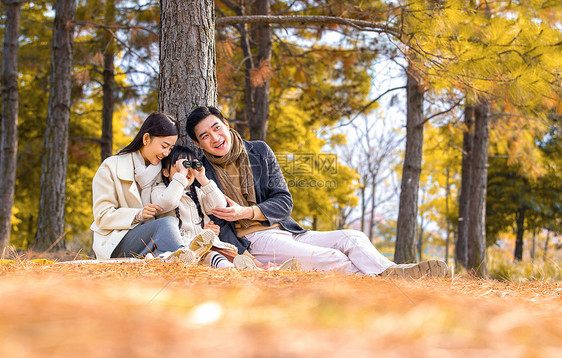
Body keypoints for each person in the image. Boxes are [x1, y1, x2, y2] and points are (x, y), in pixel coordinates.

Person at [185, 106, 449, 279]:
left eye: (217, 128)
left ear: (226, 124)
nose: (215, 138)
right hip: (255, 241)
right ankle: (387, 280)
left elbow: (283, 201)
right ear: (198, 143)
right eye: (205, 136)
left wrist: (247, 211)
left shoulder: (259, 151)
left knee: (351, 237)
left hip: (289, 230)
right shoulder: (201, 174)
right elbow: (212, 226)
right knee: (331, 258)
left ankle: (392, 274)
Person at [151, 145, 301, 271]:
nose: (186, 172)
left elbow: (219, 205)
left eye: (190, 167)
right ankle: (232, 269)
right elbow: (168, 202)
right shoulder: (160, 190)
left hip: (211, 245)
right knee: (216, 258)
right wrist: (181, 176)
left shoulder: (198, 193)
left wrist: (203, 179)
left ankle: (268, 270)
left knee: (237, 258)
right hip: (183, 248)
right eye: (180, 167)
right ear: (165, 171)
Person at [90, 112, 196, 263]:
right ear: (146, 138)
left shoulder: (161, 172)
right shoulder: (111, 167)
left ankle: (178, 257)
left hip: (151, 242)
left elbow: (168, 204)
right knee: (166, 224)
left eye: (170, 148)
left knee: (167, 229)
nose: (166, 153)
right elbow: (102, 216)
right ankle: (184, 258)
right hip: (116, 242)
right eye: (164, 146)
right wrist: (137, 214)